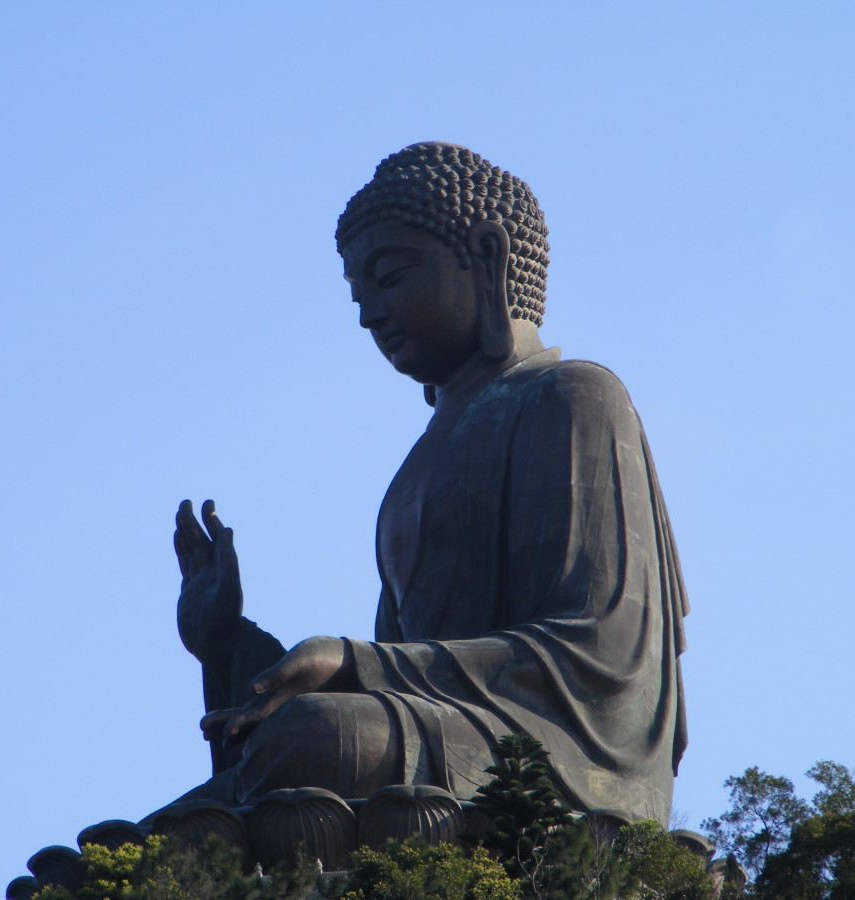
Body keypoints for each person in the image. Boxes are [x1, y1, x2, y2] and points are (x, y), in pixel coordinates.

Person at [171, 143, 688, 824]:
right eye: (358, 296)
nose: (369, 314)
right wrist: (229, 645)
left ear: (489, 255)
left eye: (391, 277)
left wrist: (354, 664)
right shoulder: (415, 469)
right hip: (442, 735)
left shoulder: (574, 398)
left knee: (313, 742)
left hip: (558, 753)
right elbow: (398, 668)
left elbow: (603, 659)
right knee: (227, 784)